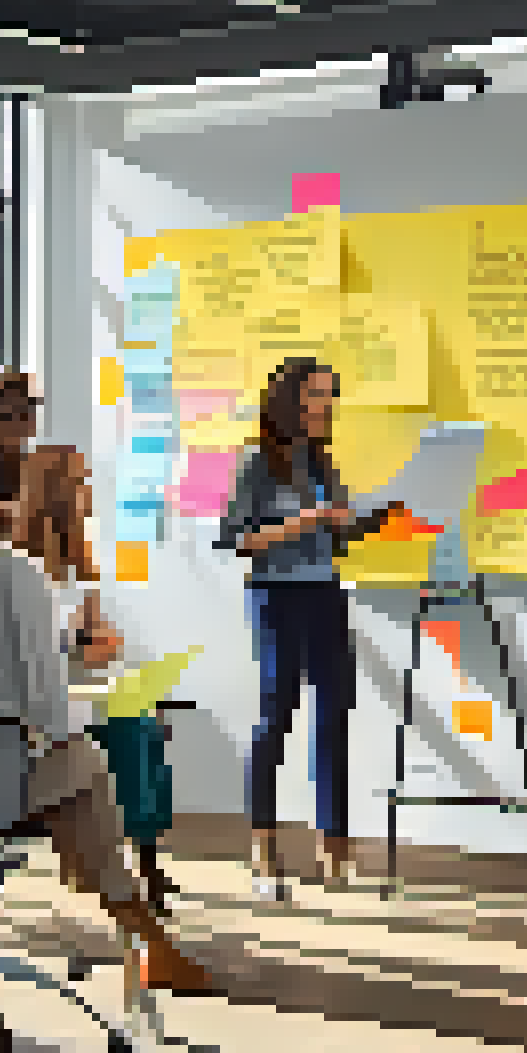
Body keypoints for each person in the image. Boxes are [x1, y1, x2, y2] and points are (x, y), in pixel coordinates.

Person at [0, 431, 216, 994]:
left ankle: (133, 921)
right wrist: (68, 727)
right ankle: (143, 932)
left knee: (76, 771)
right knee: (86, 765)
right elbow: (45, 702)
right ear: (1, 499)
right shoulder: (16, 572)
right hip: (4, 789)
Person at [214, 357, 401, 899]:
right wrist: (307, 521)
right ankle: (262, 847)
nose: (325, 406)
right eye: (316, 396)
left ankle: (333, 850)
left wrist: (373, 517)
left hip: (325, 594)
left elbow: (335, 537)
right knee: (277, 715)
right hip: (275, 595)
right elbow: (235, 539)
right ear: (288, 401)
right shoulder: (256, 463)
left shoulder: (322, 463)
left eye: (330, 396)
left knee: (335, 714)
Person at [6, 444, 178, 913]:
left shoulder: (80, 567)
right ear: (55, 494)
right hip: (43, 700)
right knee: (130, 729)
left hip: (78, 687)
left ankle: (144, 860)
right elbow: (65, 645)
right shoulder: (17, 564)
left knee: (148, 722)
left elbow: (103, 642)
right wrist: (84, 643)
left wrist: (89, 643)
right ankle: (124, 868)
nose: (88, 494)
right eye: (79, 483)